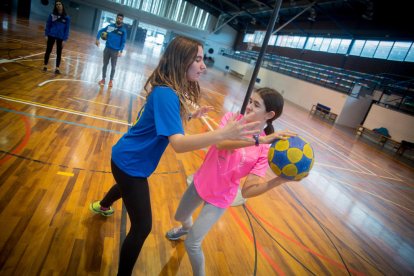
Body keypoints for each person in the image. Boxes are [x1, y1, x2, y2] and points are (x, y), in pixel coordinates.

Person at [89, 36, 261, 276]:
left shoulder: (168, 90)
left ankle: (103, 205)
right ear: (182, 61)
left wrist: (190, 116)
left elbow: (163, 120)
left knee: (125, 187)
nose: (204, 66)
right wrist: (222, 134)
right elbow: (178, 144)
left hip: (125, 158)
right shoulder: (166, 93)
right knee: (142, 227)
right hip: (130, 164)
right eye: (198, 59)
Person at [165, 87, 297, 276]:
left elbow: (248, 191)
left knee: (193, 244)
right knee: (180, 216)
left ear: (270, 114)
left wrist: (279, 180)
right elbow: (221, 144)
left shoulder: (265, 149)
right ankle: (185, 228)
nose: (249, 106)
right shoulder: (233, 120)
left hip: (220, 197)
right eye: (250, 101)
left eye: (256, 104)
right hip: (202, 181)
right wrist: (259, 140)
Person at [95, 13, 127, 88]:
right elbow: (100, 31)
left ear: (122, 20)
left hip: (115, 51)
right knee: (105, 65)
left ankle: (111, 81)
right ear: (116, 18)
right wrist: (97, 39)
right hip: (107, 48)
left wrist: (121, 51)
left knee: (113, 67)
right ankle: (103, 79)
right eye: (118, 18)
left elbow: (123, 41)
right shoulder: (110, 26)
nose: (119, 19)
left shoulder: (123, 31)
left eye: (121, 19)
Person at [43, 0, 70, 74]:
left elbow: (67, 29)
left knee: (59, 53)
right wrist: (46, 35)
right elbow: (48, 25)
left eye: (59, 4)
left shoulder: (67, 17)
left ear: (62, 5)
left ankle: (57, 68)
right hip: (51, 35)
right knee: (48, 50)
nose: (58, 5)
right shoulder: (52, 15)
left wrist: (65, 39)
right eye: (57, 4)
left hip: (60, 37)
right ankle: (45, 66)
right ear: (55, 6)